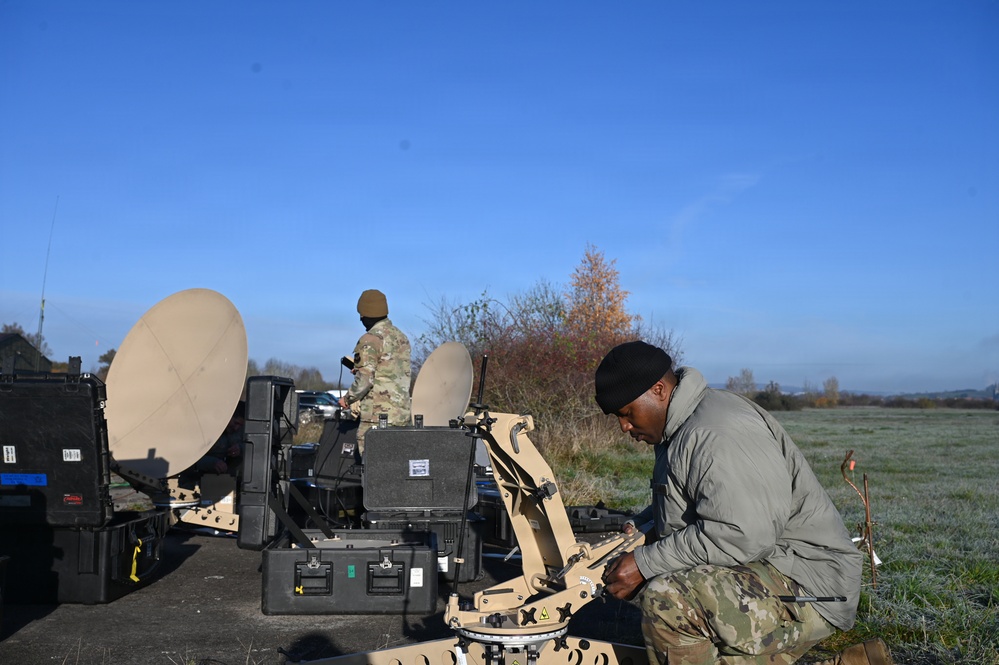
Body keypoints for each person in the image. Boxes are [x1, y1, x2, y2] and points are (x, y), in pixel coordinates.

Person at [595, 341, 890, 665]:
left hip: (809, 583)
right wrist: (643, 528)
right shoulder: (679, 429)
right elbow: (697, 503)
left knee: (668, 601)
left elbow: (742, 533)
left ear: (659, 390)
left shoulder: (714, 433)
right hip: (774, 566)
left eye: (627, 413)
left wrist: (645, 563)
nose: (624, 426)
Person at [337, 289, 412, 453]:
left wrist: (347, 399)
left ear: (364, 315)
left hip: (377, 419)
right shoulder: (401, 337)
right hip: (402, 418)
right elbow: (389, 372)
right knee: (398, 468)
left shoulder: (370, 339)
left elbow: (365, 380)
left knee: (374, 470)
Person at [194, 401, 246, 475]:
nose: (236, 428)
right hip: (196, 478)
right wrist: (212, 463)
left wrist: (240, 449)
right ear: (229, 416)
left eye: (240, 425)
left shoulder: (238, 433)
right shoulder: (205, 429)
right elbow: (190, 459)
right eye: (235, 423)